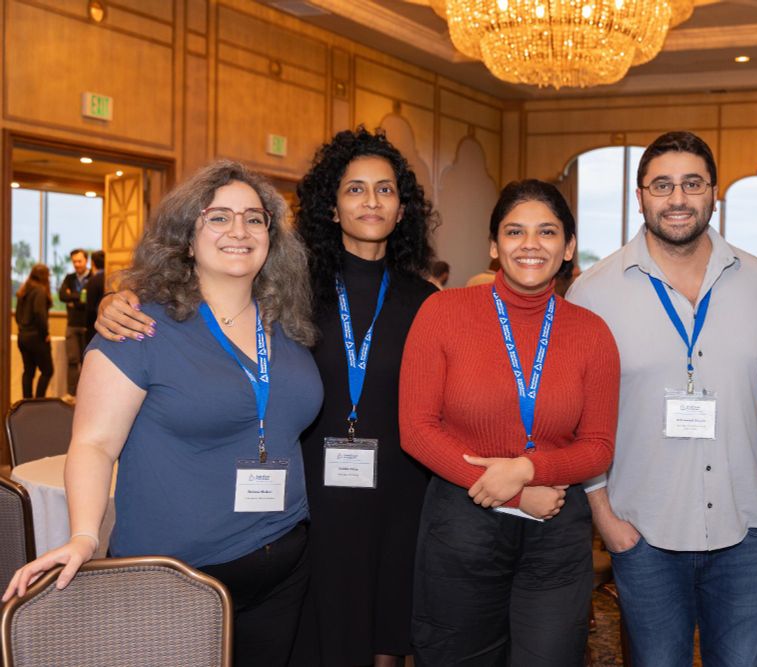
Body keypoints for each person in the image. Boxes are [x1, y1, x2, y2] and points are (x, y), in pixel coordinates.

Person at [93, 128, 439, 667]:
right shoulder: (294, 289)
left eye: (385, 190)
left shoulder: (426, 302)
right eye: (354, 189)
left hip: (393, 496)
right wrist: (119, 298)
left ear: (403, 208)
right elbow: (202, 300)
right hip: (309, 503)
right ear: (329, 205)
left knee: (386, 642)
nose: (370, 201)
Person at [4, 161, 322, 667]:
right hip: (174, 577)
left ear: (270, 238)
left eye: (254, 218)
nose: (239, 230)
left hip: (283, 568)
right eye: (218, 218)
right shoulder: (140, 326)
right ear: (186, 239)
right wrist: (85, 534)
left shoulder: (286, 325)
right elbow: (94, 443)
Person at [566, 131, 757, 666]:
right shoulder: (592, 292)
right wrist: (606, 519)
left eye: (692, 184)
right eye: (662, 185)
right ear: (640, 196)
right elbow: (573, 417)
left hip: (745, 529)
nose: (678, 198)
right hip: (644, 532)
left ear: (713, 193)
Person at [400, 179, 620, 665]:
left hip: (556, 533)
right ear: (494, 245)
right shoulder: (442, 312)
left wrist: (525, 469)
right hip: (462, 521)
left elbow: (599, 447)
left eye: (547, 232)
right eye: (515, 231)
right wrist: (517, 494)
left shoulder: (592, 333)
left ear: (568, 247)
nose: (531, 244)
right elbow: (416, 429)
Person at [15, 263, 54, 399]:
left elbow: (18, 316)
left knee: (28, 371)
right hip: (36, 337)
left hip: (22, 336)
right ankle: (38, 401)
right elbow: (40, 315)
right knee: (48, 371)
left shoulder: (23, 290)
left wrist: (23, 328)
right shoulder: (39, 291)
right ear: (45, 277)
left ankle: (26, 401)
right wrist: (45, 334)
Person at [58, 248, 91, 398]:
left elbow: (89, 302)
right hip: (72, 325)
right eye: (74, 262)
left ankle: (85, 395)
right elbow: (62, 295)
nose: (77, 264)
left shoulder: (93, 277)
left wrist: (73, 298)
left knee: (87, 362)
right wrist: (79, 298)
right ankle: (71, 394)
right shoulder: (69, 278)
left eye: (80, 261)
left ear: (86, 261)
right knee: (72, 360)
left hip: (87, 326)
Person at [84, 250, 106, 345]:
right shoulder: (111, 278)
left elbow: (90, 307)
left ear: (92, 263)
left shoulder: (93, 281)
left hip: (95, 326)